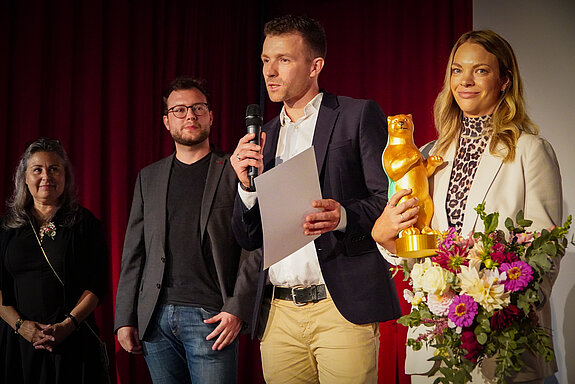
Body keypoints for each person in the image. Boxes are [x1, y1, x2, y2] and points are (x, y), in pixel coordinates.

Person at [372, 30, 563, 384]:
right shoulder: (428, 155)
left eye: (481, 71)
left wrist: (494, 311)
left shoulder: (530, 152)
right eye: (458, 71)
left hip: (505, 348)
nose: (466, 81)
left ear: (505, 80)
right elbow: (418, 251)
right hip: (436, 349)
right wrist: (387, 240)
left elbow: (546, 251)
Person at [230, 14, 401, 384]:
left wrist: (342, 216)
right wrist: (245, 189)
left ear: (315, 66)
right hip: (279, 314)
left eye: (283, 60)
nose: (270, 72)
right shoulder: (265, 136)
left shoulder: (356, 115)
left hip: (338, 307)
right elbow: (248, 239)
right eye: (265, 61)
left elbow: (387, 198)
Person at [114, 77, 257, 384]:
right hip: (155, 320)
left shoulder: (235, 170)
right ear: (167, 121)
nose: (190, 116)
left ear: (211, 116)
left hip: (211, 317)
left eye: (198, 108)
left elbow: (254, 244)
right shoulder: (148, 178)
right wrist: (124, 318)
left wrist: (238, 307)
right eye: (179, 110)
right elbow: (134, 253)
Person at [0, 138, 109, 384]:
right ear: (25, 178)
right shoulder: (7, 227)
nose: (46, 176)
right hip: (17, 342)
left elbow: (97, 285)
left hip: (73, 340)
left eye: (54, 169)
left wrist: (68, 325)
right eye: (37, 169)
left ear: (65, 176)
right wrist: (21, 326)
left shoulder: (85, 224)